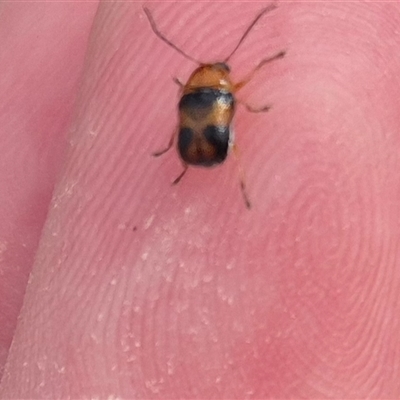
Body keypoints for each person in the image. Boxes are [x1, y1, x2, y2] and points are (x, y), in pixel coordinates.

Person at [1, 2, 399, 397]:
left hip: (193, 150)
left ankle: (197, 171)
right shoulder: (225, 94)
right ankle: (236, 183)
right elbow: (236, 99)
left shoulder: (195, 95)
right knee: (238, 136)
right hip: (206, 145)